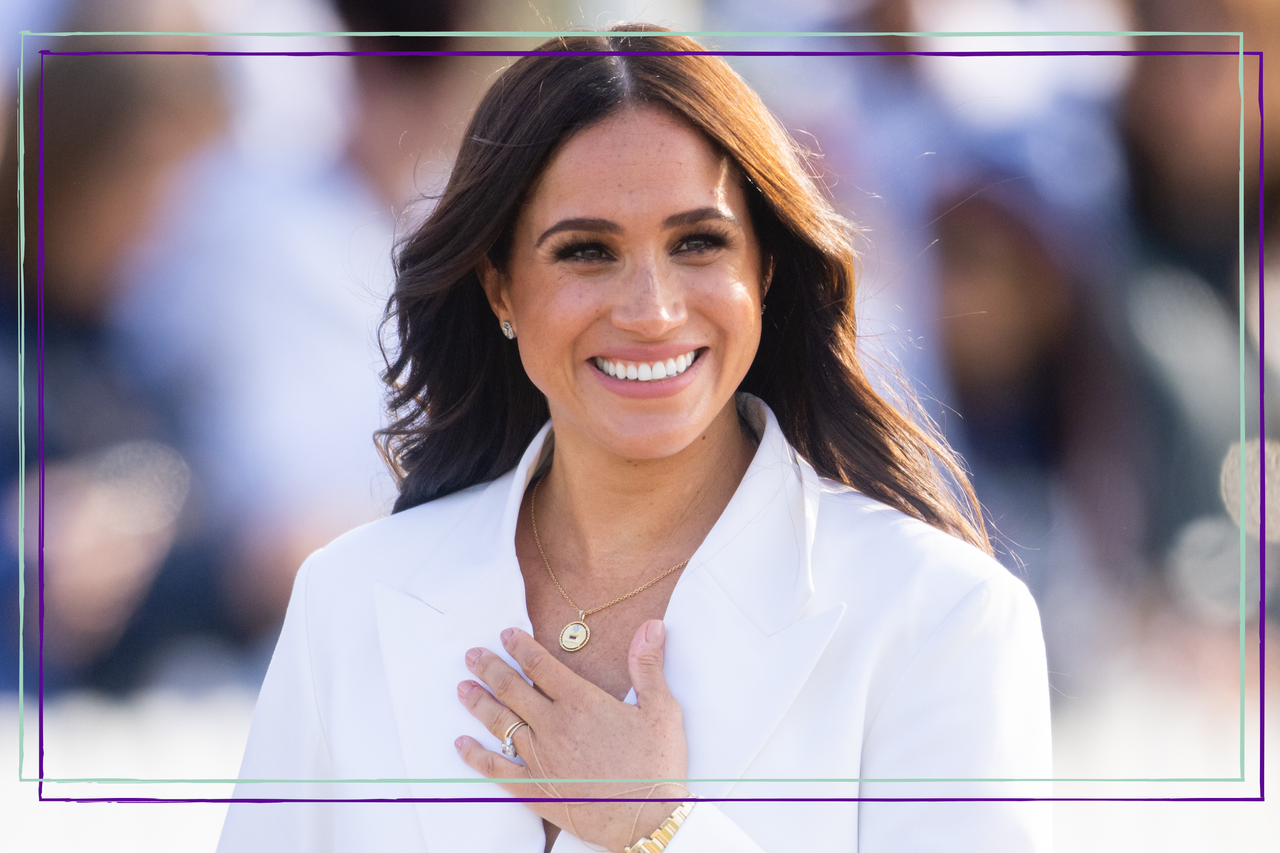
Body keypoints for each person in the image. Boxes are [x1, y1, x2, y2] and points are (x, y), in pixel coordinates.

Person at [219, 27, 1052, 853]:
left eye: (698, 243)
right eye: (586, 251)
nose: (651, 310)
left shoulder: (943, 616)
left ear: (764, 269)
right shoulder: (348, 601)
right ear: (500, 287)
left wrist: (658, 830)